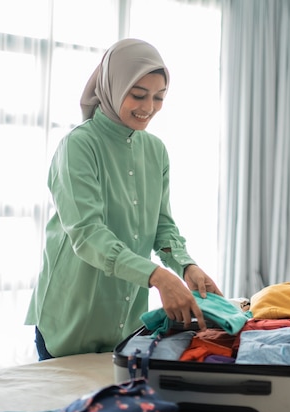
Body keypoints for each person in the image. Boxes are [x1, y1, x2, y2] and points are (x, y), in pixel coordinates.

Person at [25, 38, 223, 360]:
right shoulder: (78, 146)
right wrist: (158, 276)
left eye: (159, 97)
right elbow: (88, 234)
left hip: (126, 317)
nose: (148, 108)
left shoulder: (156, 151)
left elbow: (162, 226)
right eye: (138, 95)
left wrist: (186, 266)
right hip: (70, 316)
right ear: (113, 87)